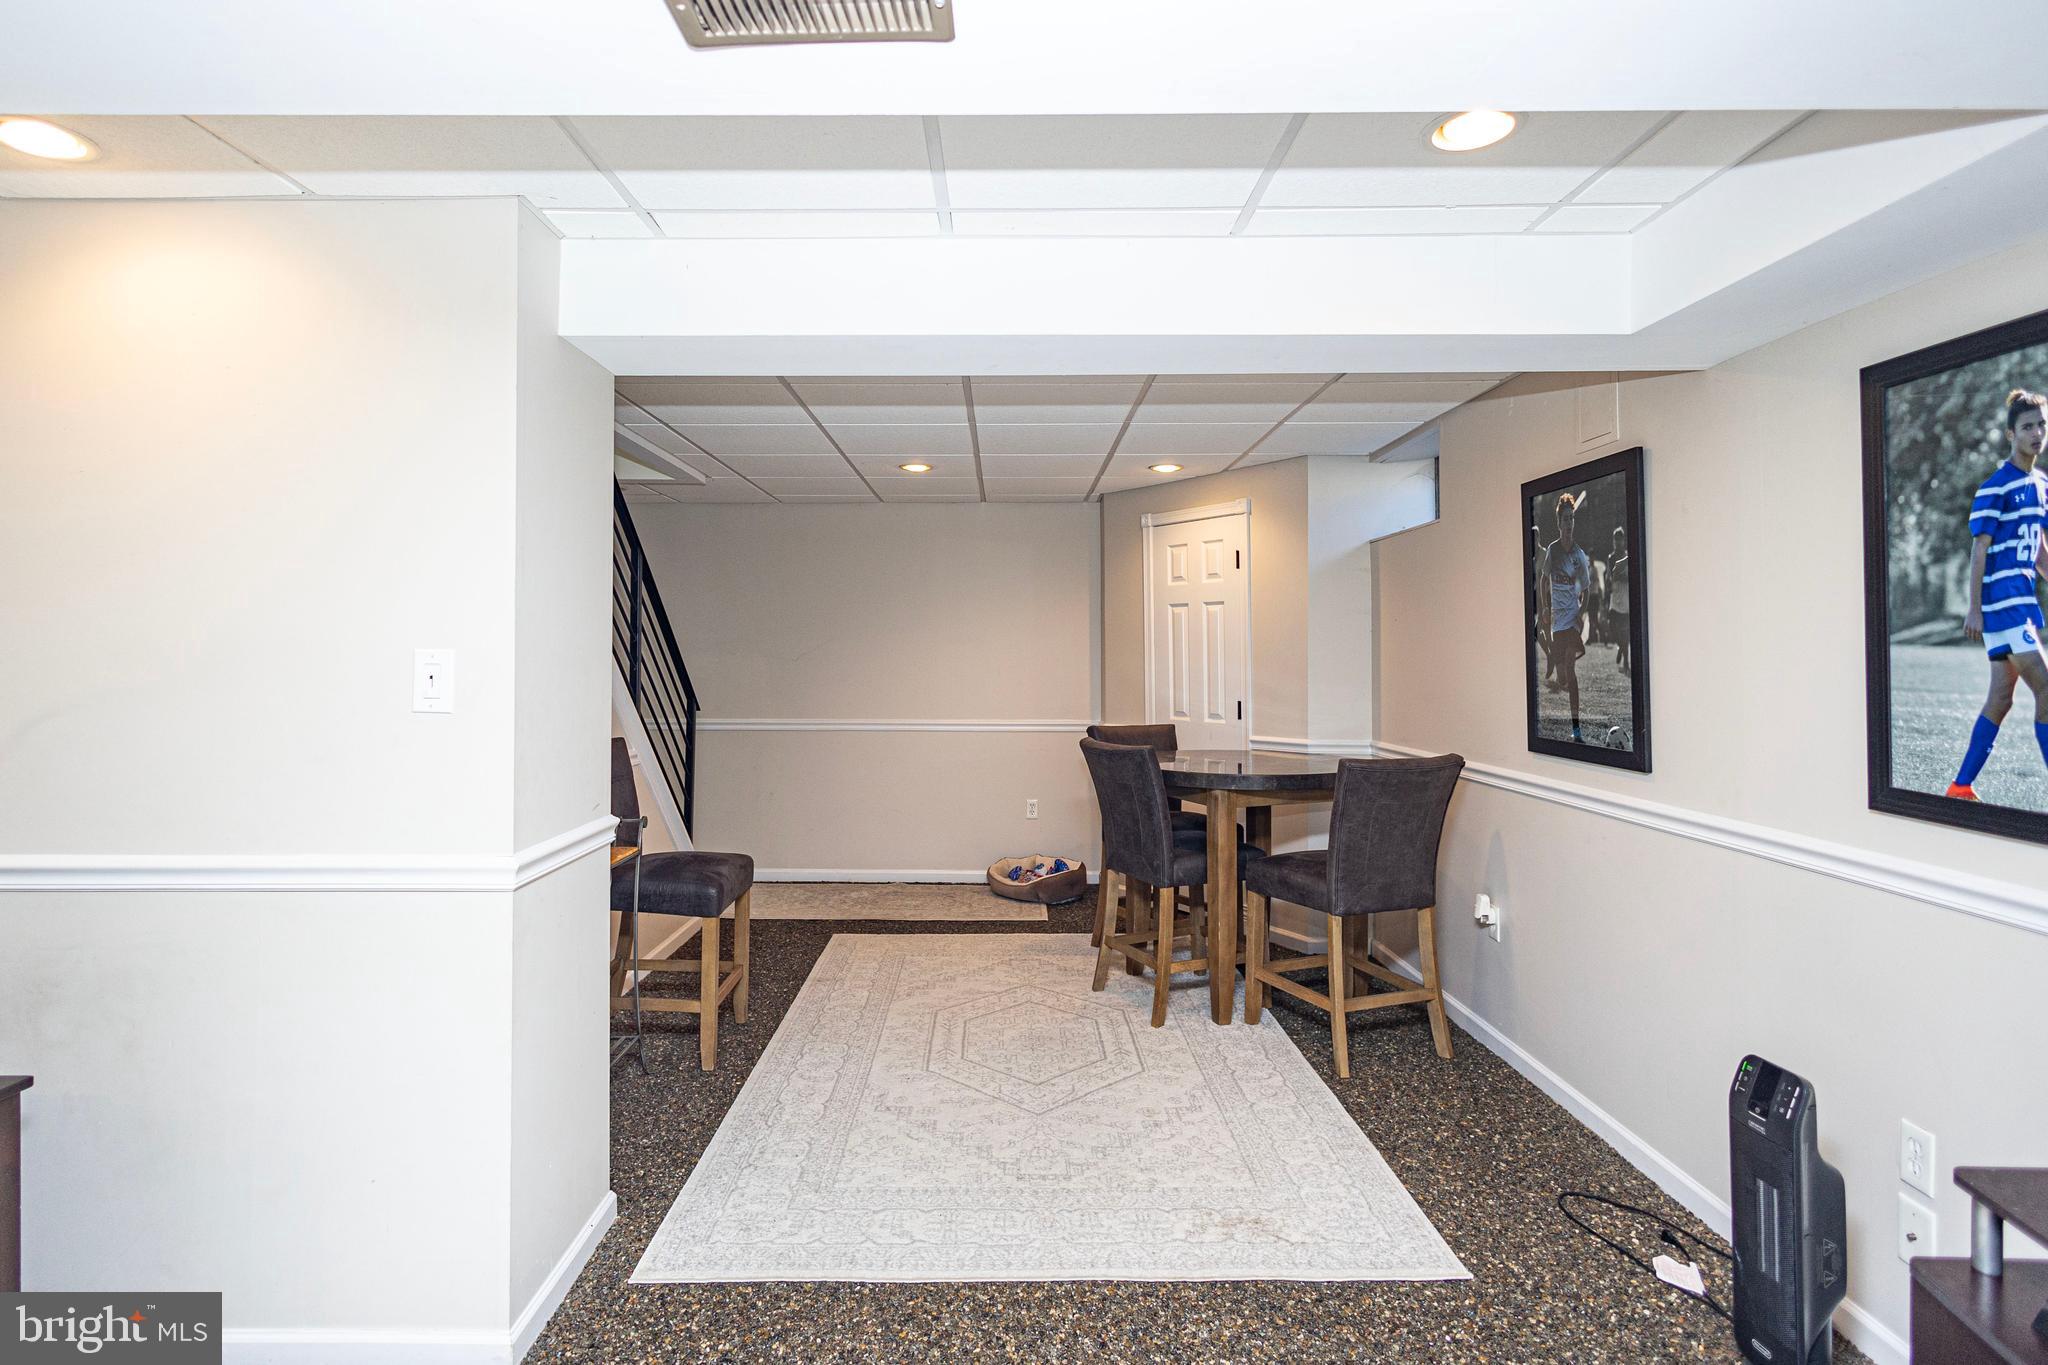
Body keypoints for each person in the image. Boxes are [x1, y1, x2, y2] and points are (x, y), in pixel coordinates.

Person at [1946, 388, 2048, 800]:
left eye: (2041, 425)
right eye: (2027, 427)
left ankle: (1960, 786)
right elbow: (1979, 548)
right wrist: (1974, 609)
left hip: (2022, 601)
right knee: (2047, 690)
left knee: (2001, 699)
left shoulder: (2042, 484)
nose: (2036, 433)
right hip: (2003, 605)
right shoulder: (1995, 487)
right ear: (2011, 435)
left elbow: (2039, 549)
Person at [1538, 492, 1593, 742]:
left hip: (1571, 621)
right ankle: (1551, 654)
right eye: (1565, 520)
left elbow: (1587, 589)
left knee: (1570, 669)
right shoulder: (1552, 551)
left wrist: (1581, 612)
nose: (1569, 524)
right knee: (1561, 680)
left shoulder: (1579, 555)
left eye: (1572, 520)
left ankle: (1576, 728)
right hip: (1557, 624)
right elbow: (1542, 580)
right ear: (1559, 524)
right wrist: (1545, 608)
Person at [1608, 526, 1631, 673]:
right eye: (1615, 539)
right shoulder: (1611, 558)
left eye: (1620, 539)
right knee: (1612, 628)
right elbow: (1613, 575)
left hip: (1626, 597)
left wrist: (1621, 576)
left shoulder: (1629, 555)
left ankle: (1626, 662)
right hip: (1615, 597)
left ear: (1624, 540)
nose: (1618, 542)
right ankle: (1621, 648)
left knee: (1625, 632)